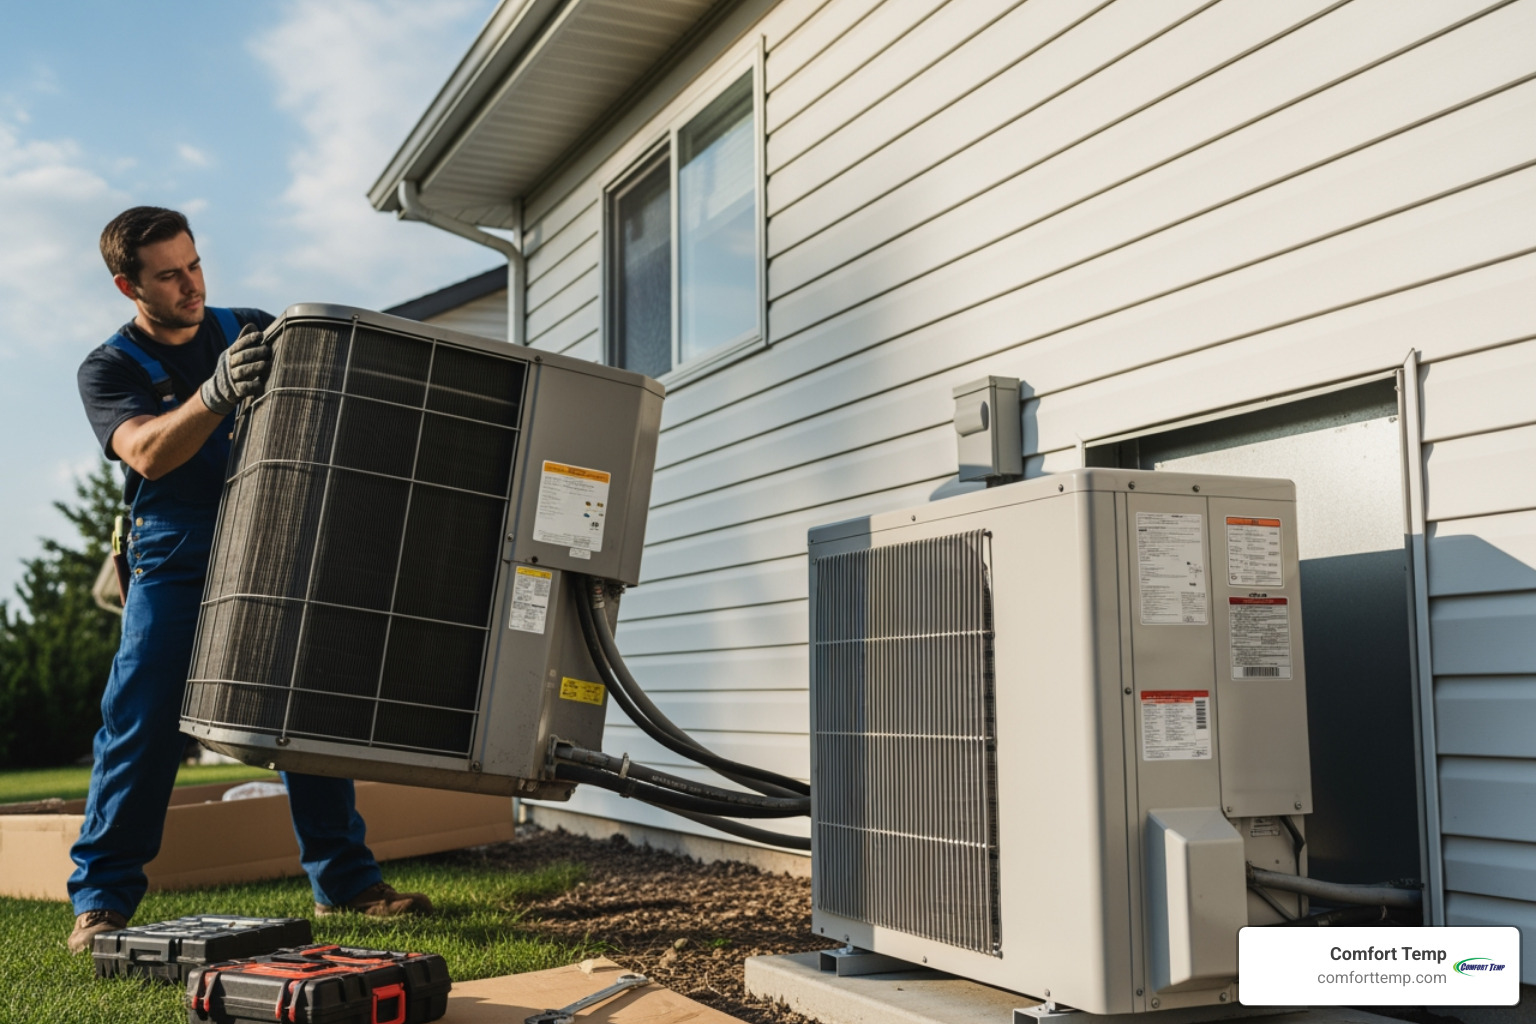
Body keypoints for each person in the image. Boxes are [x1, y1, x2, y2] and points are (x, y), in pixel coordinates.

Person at [67, 207, 432, 954]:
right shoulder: (108, 368)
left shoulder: (252, 327)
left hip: (273, 528)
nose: (190, 284)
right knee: (142, 716)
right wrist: (212, 395)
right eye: (168, 275)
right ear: (126, 284)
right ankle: (101, 900)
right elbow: (146, 455)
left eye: (194, 264)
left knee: (306, 700)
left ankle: (347, 884)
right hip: (176, 547)